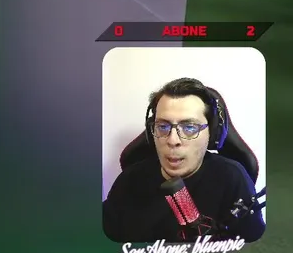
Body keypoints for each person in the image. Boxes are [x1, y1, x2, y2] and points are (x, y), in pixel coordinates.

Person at [103, 78, 265, 244]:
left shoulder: (232, 179)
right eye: (163, 126)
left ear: (211, 133)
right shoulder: (130, 181)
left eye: (189, 127)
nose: (173, 140)